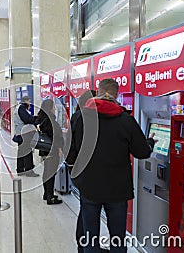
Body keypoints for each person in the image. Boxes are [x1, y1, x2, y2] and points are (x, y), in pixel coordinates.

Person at [65, 79, 156, 253]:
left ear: (98, 91)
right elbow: (142, 152)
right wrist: (150, 142)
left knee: (90, 238)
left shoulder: (80, 117)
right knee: (117, 238)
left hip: (89, 186)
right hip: (117, 189)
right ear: (116, 94)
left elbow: (70, 154)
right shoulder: (125, 119)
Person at [65, 90, 96, 253]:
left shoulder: (76, 118)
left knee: (85, 210)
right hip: (96, 177)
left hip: (82, 176)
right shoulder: (93, 120)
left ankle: (82, 245)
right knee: (89, 211)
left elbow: (69, 152)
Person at [36, 99, 64, 205]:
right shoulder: (50, 120)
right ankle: (50, 197)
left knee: (47, 172)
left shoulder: (42, 119)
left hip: (45, 149)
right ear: (50, 108)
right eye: (53, 106)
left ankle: (46, 194)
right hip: (52, 151)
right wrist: (59, 148)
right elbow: (54, 136)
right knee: (51, 173)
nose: (55, 108)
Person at [13, 96, 39, 177]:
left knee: (21, 152)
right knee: (27, 152)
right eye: (29, 101)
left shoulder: (19, 108)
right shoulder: (21, 108)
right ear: (26, 101)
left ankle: (20, 170)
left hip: (20, 133)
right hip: (24, 134)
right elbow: (27, 119)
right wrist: (36, 120)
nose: (30, 103)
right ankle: (29, 171)